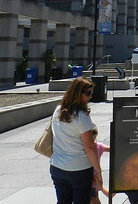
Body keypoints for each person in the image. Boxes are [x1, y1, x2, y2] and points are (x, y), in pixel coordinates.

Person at [50, 76, 103, 204]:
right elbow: (89, 146)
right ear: (78, 93)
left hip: (57, 166)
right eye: (88, 93)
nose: (90, 97)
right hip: (79, 169)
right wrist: (98, 170)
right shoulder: (81, 116)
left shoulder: (58, 111)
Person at [90, 127, 111, 204]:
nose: (93, 141)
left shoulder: (98, 146)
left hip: (93, 179)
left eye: (94, 139)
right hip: (93, 177)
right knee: (94, 198)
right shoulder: (98, 146)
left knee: (94, 198)